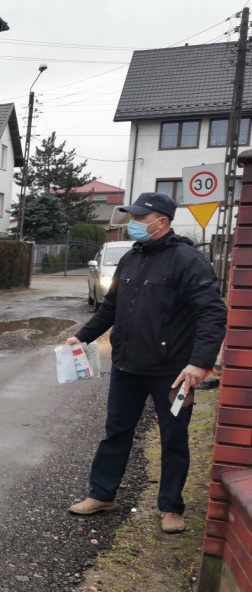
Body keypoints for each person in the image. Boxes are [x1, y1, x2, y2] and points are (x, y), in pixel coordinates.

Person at [65, 191, 227, 533]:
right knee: (116, 433)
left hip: (172, 373)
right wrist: (82, 336)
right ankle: (102, 494)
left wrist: (199, 363)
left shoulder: (187, 260)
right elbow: (110, 308)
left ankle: (171, 508)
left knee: (173, 438)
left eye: (139, 219)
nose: (133, 225)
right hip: (127, 367)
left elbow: (212, 313)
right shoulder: (131, 258)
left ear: (161, 222)